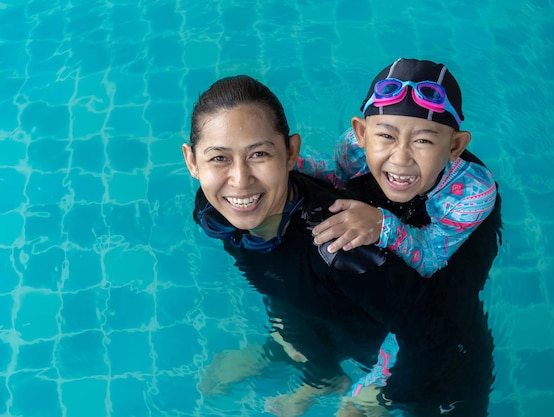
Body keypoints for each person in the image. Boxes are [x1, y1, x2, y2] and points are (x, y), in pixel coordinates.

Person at [182, 74, 498, 417]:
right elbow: (282, 284)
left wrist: (378, 398)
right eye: (218, 158)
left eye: (259, 154)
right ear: (192, 162)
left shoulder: (342, 247)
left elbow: (431, 335)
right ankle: (308, 367)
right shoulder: (215, 210)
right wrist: (301, 354)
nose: (240, 182)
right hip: (351, 306)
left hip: (428, 337)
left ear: (290, 154)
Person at [298, 58, 498, 277]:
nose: (401, 158)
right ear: (362, 133)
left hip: (453, 226)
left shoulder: (473, 192)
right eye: (386, 136)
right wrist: (294, 163)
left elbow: (431, 257)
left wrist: (383, 225)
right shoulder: (355, 148)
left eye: (423, 141)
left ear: (455, 146)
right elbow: (338, 177)